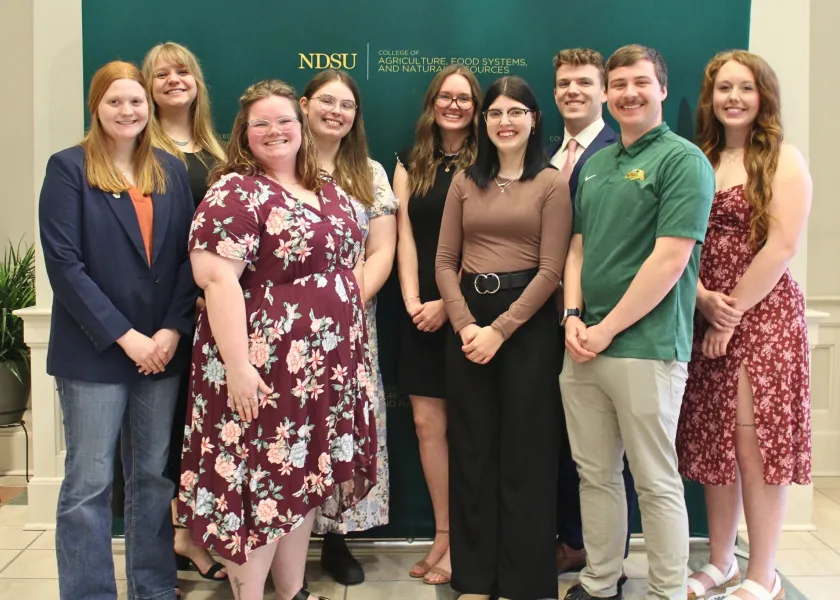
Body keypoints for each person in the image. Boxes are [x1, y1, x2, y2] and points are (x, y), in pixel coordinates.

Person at [176, 79, 377, 600]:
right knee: (259, 490)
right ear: (244, 133)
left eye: (284, 120)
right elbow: (217, 280)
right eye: (260, 123)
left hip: (322, 370)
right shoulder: (236, 190)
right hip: (263, 369)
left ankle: (292, 593)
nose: (274, 130)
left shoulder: (324, 187)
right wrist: (240, 366)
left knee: (299, 484)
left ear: (301, 125)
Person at [559, 44, 715, 600]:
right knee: (595, 475)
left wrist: (606, 329)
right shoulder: (596, 164)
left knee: (654, 480)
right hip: (583, 347)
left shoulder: (684, 161)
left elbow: (669, 261)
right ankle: (600, 581)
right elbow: (576, 248)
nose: (629, 92)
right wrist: (575, 317)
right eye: (619, 83)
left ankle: (667, 590)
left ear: (663, 89)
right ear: (606, 92)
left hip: (646, 347)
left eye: (640, 82)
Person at [39, 60, 197, 600]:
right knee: (90, 484)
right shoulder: (68, 168)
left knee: (153, 479)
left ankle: (152, 588)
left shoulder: (171, 171)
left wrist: (173, 332)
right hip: (97, 352)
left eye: (135, 102)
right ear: (96, 107)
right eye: (115, 102)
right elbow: (64, 265)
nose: (127, 111)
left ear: (148, 108)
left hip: (162, 352)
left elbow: (184, 260)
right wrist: (126, 337)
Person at [678, 50, 812, 600]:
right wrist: (703, 299)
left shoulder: (783, 159)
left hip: (764, 319)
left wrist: (727, 314)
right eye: (723, 88)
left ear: (764, 97)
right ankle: (720, 561)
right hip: (704, 312)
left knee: (756, 446)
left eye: (745, 88)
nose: (733, 98)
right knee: (714, 442)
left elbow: (781, 246)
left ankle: (764, 573)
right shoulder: (698, 158)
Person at [436, 75, 571, 600]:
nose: (505, 121)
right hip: (469, 321)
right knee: (472, 453)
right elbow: (445, 261)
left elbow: (551, 270)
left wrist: (500, 329)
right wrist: (468, 324)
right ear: (484, 121)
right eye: (495, 113)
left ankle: (522, 582)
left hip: (527, 327)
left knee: (526, 455)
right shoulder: (466, 181)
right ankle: (475, 579)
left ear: (534, 119)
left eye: (516, 112)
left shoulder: (552, 182)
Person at [300, 69, 398, 585]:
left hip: (354, 321)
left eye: (347, 105)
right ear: (305, 104)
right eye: (327, 101)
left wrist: (343, 303)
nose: (336, 112)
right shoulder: (277, 164)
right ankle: (289, 535)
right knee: (294, 424)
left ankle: (337, 538)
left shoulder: (370, 172)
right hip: (289, 328)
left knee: (346, 422)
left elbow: (382, 250)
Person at [546, 47, 636, 584]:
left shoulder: (619, 147)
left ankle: (610, 561)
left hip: (610, 325)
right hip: (554, 322)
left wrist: (587, 315)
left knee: (611, 457)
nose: (572, 90)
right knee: (569, 447)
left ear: (603, 91)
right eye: (563, 83)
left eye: (583, 81)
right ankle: (572, 543)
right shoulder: (548, 153)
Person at [141, 40, 228, 588]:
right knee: (161, 436)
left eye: (183, 72)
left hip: (215, 314)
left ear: (197, 81)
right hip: (161, 314)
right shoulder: (138, 147)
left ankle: (190, 535)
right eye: (162, 74)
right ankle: (174, 540)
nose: (175, 80)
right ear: (148, 87)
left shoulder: (217, 153)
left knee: (200, 432)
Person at [394, 64, 481, 585]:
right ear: (432, 103)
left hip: (470, 312)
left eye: (465, 98)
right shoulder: (411, 163)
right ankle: (443, 534)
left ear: (476, 106)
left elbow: (488, 239)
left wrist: (449, 305)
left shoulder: (489, 161)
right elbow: (404, 233)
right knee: (428, 427)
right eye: (445, 97)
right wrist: (412, 299)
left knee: (471, 429)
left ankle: (467, 541)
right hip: (419, 313)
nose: (454, 105)